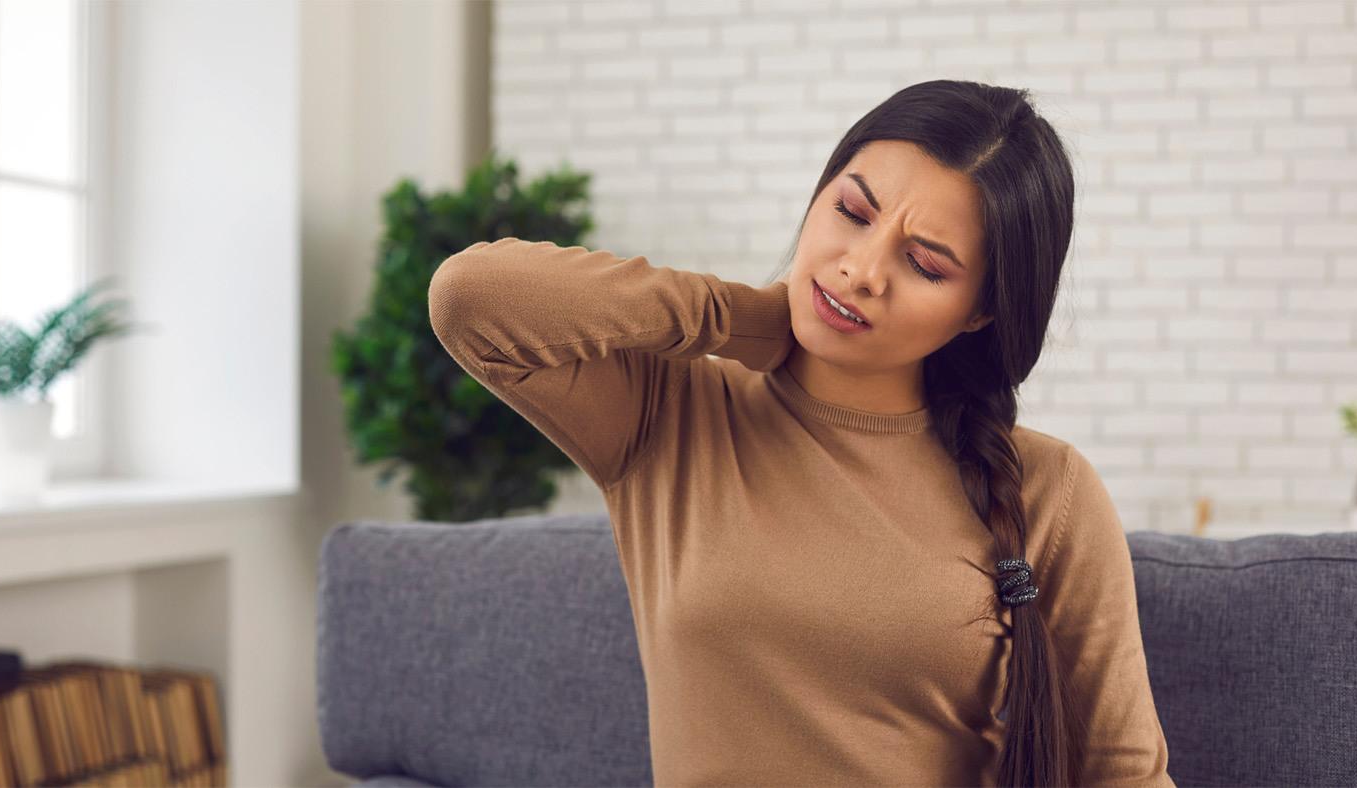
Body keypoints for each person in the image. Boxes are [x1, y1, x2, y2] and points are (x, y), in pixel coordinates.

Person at [429, 79, 1176, 788]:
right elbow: (472, 299)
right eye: (852, 212)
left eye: (923, 264)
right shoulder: (668, 414)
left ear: (980, 313)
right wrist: (748, 319)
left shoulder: (1050, 489)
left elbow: (1125, 774)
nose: (860, 270)